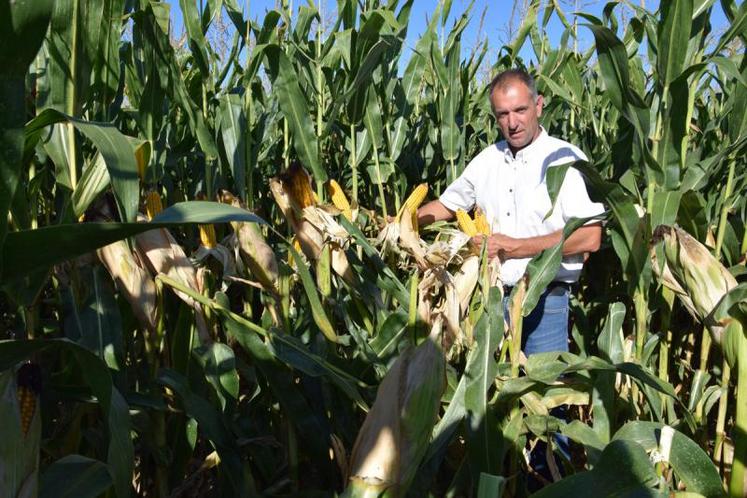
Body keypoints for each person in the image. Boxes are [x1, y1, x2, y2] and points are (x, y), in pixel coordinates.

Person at [417, 68, 604, 356]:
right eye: (503, 114)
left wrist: (516, 248)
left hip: (545, 300)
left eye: (520, 110)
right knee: (489, 389)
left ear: (539, 105)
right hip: (490, 298)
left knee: (543, 393)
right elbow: (448, 205)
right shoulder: (487, 161)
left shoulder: (568, 159)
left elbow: (590, 237)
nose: (512, 123)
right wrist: (402, 221)